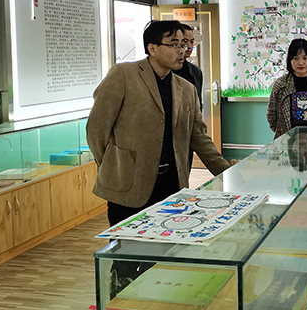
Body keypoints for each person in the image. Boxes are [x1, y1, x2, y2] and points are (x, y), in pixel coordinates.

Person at [87, 20, 230, 295]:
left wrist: (226, 172)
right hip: (128, 187)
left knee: (163, 254)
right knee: (127, 256)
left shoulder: (186, 88)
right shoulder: (123, 75)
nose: (182, 50)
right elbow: (97, 129)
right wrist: (113, 166)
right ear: (152, 48)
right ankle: (121, 303)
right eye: (174, 44)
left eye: (184, 44)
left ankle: (153, 301)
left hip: (171, 187)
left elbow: (198, 136)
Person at [266, 38, 307, 139]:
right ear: (290, 60)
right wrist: (282, 131)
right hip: (287, 140)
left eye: (305, 58)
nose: (301, 63)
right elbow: (271, 117)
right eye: (296, 58)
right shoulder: (280, 85)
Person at [174, 23, 204, 108]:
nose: (190, 46)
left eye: (192, 42)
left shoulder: (196, 71)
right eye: (185, 41)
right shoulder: (165, 70)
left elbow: (198, 104)